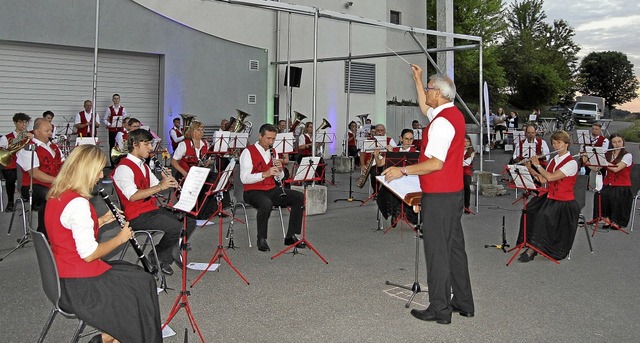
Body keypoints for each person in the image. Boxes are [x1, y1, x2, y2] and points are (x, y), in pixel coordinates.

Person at [382, 66, 474, 324]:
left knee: (437, 252)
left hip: (440, 195)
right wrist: (417, 79)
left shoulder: (441, 124)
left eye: (429, 89)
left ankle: (440, 309)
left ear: (441, 94)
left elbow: (435, 163)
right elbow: (424, 107)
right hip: (453, 193)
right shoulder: (450, 113)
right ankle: (464, 302)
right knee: (454, 248)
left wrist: (403, 170)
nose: (426, 92)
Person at [45, 144, 162, 343]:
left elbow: (66, 232)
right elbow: (89, 254)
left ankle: (119, 335)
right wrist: (120, 238)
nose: (101, 175)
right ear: (86, 171)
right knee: (142, 282)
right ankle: (120, 336)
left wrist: (99, 221)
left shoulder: (58, 195)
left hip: (64, 274)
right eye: (99, 170)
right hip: (81, 285)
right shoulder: (79, 204)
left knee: (134, 274)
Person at [112, 128, 196, 275]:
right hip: (136, 216)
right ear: (135, 144)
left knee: (188, 221)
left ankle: (159, 257)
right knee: (176, 227)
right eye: (147, 144)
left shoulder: (143, 165)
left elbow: (155, 187)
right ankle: (159, 257)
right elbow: (132, 196)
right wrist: (160, 186)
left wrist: (166, 180)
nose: (151, 148)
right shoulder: (123, 168)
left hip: (150, 210)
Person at [240, 124, 305, 252]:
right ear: (260, 136)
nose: (270, 142)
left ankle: (291, 235)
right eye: (268, 138)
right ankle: (261, 239)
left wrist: (280, 170)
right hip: (252, 191)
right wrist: (264, 174)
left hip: (271, 189)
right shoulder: (248, 152)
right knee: (266, 204)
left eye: (273, 139)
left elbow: (278, 178)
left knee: (298, 197)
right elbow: (244, 178)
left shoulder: (273, 152)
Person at [517, 130, 579, 262]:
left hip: (564, 201)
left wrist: (538, 165)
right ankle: (530, 243)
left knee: (542, 215)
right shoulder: (553, 160)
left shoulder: (572, 163)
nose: (556, 146)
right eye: (554, 143)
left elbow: (551, 176)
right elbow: (544, 180)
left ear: (567, 144)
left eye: (559, 143)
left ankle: (533, 250)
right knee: (529, 209)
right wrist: (529, 168)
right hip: (551, 197)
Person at [17, 119, 63, 238]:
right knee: (49, 195)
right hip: (32, 186)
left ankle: (63, 229)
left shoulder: (53, 146)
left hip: (53, 183)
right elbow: (35, 173)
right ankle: (44, 233)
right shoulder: (28, 147)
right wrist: (58, 181)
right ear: (36, 131)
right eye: (47, 131)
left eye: (51, 131)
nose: (50, 133)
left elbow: (64, 163)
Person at [376, 129, 418, 226]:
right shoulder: (394, 150)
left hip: (410, 180)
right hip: (394, 180)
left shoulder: (415, 152)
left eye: (411, 139)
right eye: (406, 139)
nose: (409, 142)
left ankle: (409, 217)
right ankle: (394, 213)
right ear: (401, 139)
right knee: (387, 191)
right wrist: (376, 155)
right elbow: (379, 164)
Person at [591, 134, 633, 228]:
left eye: (619, 141)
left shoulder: (627, 155)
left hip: (622, 185)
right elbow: (595, 168)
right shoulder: (608, 154)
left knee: (614, 194)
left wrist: (602, 159)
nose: (617, 144)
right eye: (614, 142)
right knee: (599, 194)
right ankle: (606, 219)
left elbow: (616, 168)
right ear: (611, 143)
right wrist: (587, 159)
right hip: (608, 183)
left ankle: (617, 221)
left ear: (623, 142)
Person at [0, 113, 34, 212]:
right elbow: (3, 150)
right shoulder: (6, 138)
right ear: (15, 123)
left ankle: (28, 198)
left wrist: (32, 138)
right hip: (12, 164)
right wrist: (21, 137)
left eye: (25, 122)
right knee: (10, 178)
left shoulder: (30, 135)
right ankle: (10, 202)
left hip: (26, 163)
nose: (23, 125)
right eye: (21, 122)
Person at [103, 94, 129, 165]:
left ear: (119, 100)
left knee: (121, 145)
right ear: (112, 100)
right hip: (112, 130)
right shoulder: (109, 109)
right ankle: (112, 164)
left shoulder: (123, 109)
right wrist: (109, 124)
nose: (116, 100)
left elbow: (126, 118)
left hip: (120, 130)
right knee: (112, 146)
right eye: (115, 98)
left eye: (117, 98)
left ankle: (121, 162)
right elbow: (104, 119)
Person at [463, 134, 476, 213]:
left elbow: (466, 163)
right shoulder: (457, 149)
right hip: (457, 172)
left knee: (466, 184)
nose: (466, 143)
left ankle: (466, 205)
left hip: (466, 172)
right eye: (464, 141)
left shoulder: (472, 152)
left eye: (468, 141)